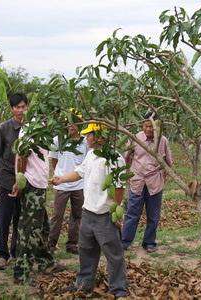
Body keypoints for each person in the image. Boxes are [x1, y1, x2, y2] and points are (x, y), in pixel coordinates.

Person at [51, 123, 128, 298]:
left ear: (100, 136)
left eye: (89, 135)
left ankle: (118, 288)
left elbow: (119, 186)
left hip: (105, 215)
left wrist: (116, 212)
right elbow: (79, 172)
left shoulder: (114, 158)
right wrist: (61, 179)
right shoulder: (92, 154)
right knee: (86, 250)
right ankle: (84, 283)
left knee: (113, 253)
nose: (86, 138)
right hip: (88, 212)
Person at [10, 122, 64, 283]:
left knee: (43, 226)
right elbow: (22, 155)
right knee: (29, 230)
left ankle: (45, 262)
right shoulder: (33, 128)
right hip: (32, 184)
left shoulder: (42, 125)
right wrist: (19, 179)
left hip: (38, 184)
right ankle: (21, 272)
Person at [121, 115, 173, 253]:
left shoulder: (162, 141)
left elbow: (169, 162)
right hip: (137, 180)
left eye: (152, 126)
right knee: (132, 212)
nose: (149, 129)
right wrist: (127, 174)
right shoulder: (135, 138)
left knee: (153, 215)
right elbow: (126, 157)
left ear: (157, 127)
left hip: (154, 182)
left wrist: (163, 175)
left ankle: (149, 242)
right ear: (142, 126)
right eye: (146, 126)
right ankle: (125, 241)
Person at [0, 93, 28, 270]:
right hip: (7, 179)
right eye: (17, 107)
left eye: (23, 107)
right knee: (4, 217)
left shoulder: (31, 128)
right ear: (11, 109)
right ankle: (1, 254)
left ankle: (15, 251)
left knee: (19, 216)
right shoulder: (3, 129)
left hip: (24, 180)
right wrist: (7, 174)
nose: (20, 110)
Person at [48, 123, 87, 254]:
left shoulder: (85, 141)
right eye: (69, 124)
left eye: (75, 124)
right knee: (57, 215)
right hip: (62, 184)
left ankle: (72, 244)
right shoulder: (57, 140)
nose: (72, 127)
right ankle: (51, 244)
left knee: (77, 215)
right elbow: (53, 160)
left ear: (81, 125)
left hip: (79, 184)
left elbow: (86, 162)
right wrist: (60, 174)